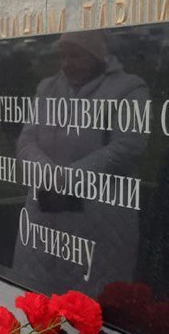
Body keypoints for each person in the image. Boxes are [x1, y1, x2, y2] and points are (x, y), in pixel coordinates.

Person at [12, 30, 149, 295]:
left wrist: (71, 177)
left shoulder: (129, 88)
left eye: (75, 55)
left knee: (88, 311)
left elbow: (129, 145)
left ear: (97, 56)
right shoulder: (48, 87)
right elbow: (27, 140)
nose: (66, 63)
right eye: (62, 55)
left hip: (98, 221)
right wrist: (49, 173)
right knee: (35, 304)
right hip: (44, 216)